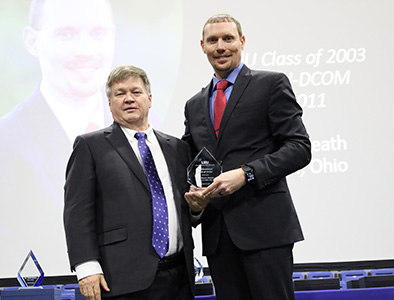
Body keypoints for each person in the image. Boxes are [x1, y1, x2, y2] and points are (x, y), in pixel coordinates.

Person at [183, 14, 311, 300]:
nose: (220, 46)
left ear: (241, 42)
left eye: (228, 38)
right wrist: (195, 201)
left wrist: (246, 173)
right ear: (202, 46)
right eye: (213, 40)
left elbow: (300, 148)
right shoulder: (193, 105)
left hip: (265, 230)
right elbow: (189, 162)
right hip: (218, 236)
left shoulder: (271, 85)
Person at [0, 0, 115, 275]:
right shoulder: (7, 143)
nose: (84, 51)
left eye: (98, 33)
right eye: (66, 34)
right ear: (32, 41)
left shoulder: (151, 134)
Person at [64, 65, 195, 300]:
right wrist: (86, 267)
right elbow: (77, 211)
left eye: (135, 92)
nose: (129, 99)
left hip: (179, 277)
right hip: (123, 279)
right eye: (120, 93)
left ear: (150, 99)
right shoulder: (90, 146)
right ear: (110, 103)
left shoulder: (178, 148)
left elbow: (186, 207)